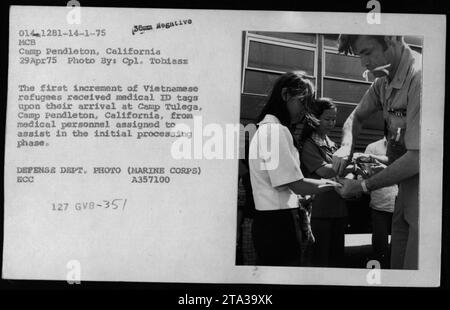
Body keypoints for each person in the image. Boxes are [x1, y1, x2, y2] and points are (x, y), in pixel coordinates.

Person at [332, 35, 421, 269]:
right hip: (404, 191)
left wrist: (362, 186)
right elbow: (356, 117)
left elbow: (417, 159)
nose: (364, 64)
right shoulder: (383, 81)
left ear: (392, 39)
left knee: (415, 272)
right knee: (397, 266)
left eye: (367, 52)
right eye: (359, 54)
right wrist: (345, 146)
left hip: (426, 199)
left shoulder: (421, 78)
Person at [248, 71, 340, 267]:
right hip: (280, 223)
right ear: (285, 95)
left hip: (266, 220)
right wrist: (336, 185)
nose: (305, 110)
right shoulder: (276, 130)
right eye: (303, 101)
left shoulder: (264, 128)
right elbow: (297, 185)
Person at [300, 98, 349, 267]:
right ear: (315, 118)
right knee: (320, 262)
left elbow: (337, 172)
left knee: (337, 260)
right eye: (327, 119)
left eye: (334, 119)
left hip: (338, 210)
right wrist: (352, 165)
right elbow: (326, 171)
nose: (331, 123)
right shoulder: (309, 144)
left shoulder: (332, 145)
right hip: (319, 212)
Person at [354, 122, 398, 269]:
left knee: (399, 245)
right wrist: (362, 187)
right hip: (380, 204)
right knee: (380, 246)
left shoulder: (404, 148)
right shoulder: (373, 147)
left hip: (401, 204)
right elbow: (363, 175)